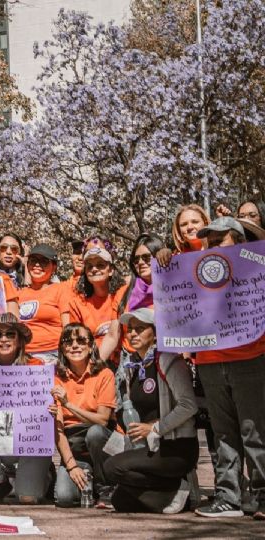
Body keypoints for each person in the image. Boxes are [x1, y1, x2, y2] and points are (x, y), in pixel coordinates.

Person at [187, 217, 265, 519]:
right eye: (212, 240)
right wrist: (164, 257)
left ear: (240, 241)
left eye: (223, 239)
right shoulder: (196, 270)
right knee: (222, 433)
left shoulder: (255, 269)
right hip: (209, 361)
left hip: (250, 357)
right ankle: (228, 497)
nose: (216, 245)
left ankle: (261, 495)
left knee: (254, 429)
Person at [103, 308, 198, 514]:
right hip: (149, 447)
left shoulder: (169, 359)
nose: (133, 334)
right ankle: (177, 497)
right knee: (121, 500)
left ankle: (174, 485)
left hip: (175, 447)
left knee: (112, 467)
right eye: (130, 330)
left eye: (141, 329)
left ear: (155, 333)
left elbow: (189, 405)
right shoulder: (133, 366)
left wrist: (154, 428)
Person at [0, 313, 52, 504]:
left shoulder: (36, 366)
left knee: (27, 498)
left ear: (20, 339)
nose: (4, 339)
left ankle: (45, 476)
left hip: (31, 441)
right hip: (0, 437)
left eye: (10, 334)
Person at [52, 323, 117, 508]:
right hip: (74, 445)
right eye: (68, 341)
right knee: (64, 498)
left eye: (81, 340)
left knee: (95, 433)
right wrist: (71, 465)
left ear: (91, 346)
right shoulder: (55, 378)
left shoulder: (105, 374)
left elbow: (103, 420)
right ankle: (85, 473)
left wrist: (68, 405)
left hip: (101, 440)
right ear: (62, 350)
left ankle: (106, 487)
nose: (74, 345)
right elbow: (58, 428)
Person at [99, 234, 164, 362]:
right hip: (130, 360)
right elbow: (113, 335)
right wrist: (93, 367)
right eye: (136, 260)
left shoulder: (173, 288)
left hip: (163, 358)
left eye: (146, 258)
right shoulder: (124, 292)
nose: (140, 262)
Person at [66, 237, 126, 362]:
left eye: (100, 265)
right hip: (94, 361)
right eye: (89, 266)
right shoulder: (77, 303)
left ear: (110, 270)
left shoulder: (123, 294)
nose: (94, 269)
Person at [17, 243, 70, 364]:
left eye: (44, 262)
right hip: (22, 355)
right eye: (33, 260)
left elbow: (67, 327)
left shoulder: (61, 289)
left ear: (54, 267)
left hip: (51, 353)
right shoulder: (19, 293)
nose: (37, 265)